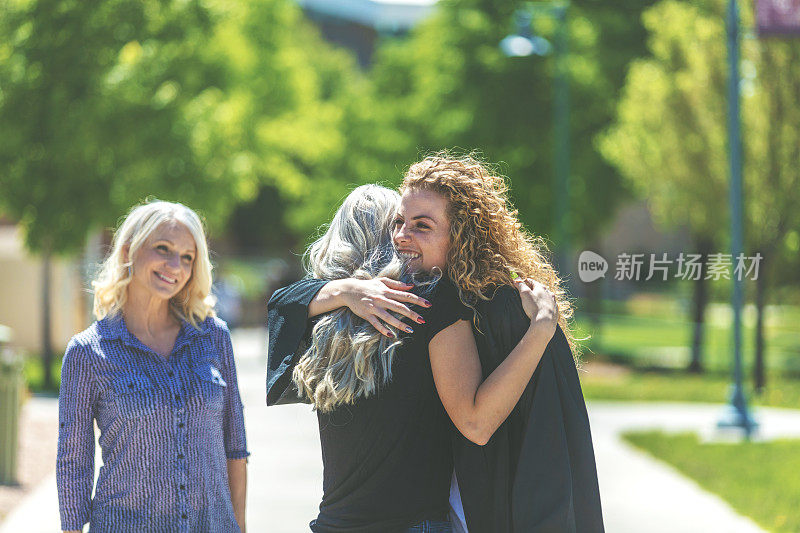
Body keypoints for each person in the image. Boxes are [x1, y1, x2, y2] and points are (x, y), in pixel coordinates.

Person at [272, 152, 604, 533]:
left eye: (421, 225)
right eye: (398, 223)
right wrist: (346, 290)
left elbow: (281, 306)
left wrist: (343, 291)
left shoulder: (372, 311)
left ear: (460, 235)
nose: (401, 236)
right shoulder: (380, 303)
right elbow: (282, 303)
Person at [56, 201, 249, 533]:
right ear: (130, 250)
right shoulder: (87, 353)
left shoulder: (214, 338)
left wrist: (240, 526)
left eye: (188, 257)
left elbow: (235, 445)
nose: (175, 266)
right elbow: (74, 464)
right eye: (163, 249)